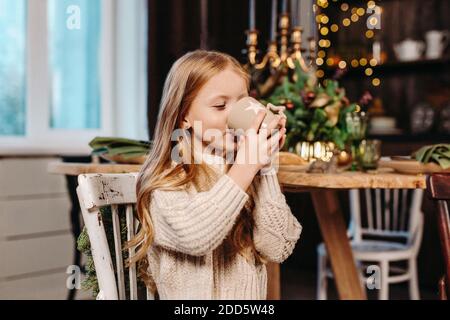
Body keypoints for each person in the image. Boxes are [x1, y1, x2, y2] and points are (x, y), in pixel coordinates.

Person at [128, 50, 302, 299]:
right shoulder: (168, 179)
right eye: (220, 106)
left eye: (242, 103)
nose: (234, 116)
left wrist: (265, 165)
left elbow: (278, 247)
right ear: (183, 116)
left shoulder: (246, 172)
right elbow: (197, 237)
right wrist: (246, 166)